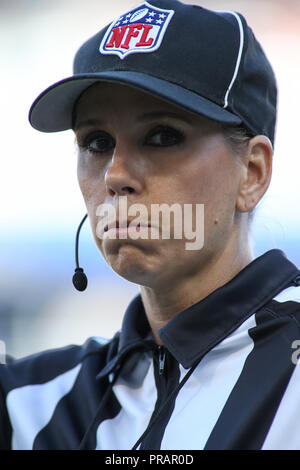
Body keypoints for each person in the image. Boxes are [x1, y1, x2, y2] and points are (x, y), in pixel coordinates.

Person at [1, 0, 300, 451]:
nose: (115, 175)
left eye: (162, 135)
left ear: (253, 172)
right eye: (97, 142)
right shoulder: (31, 404)